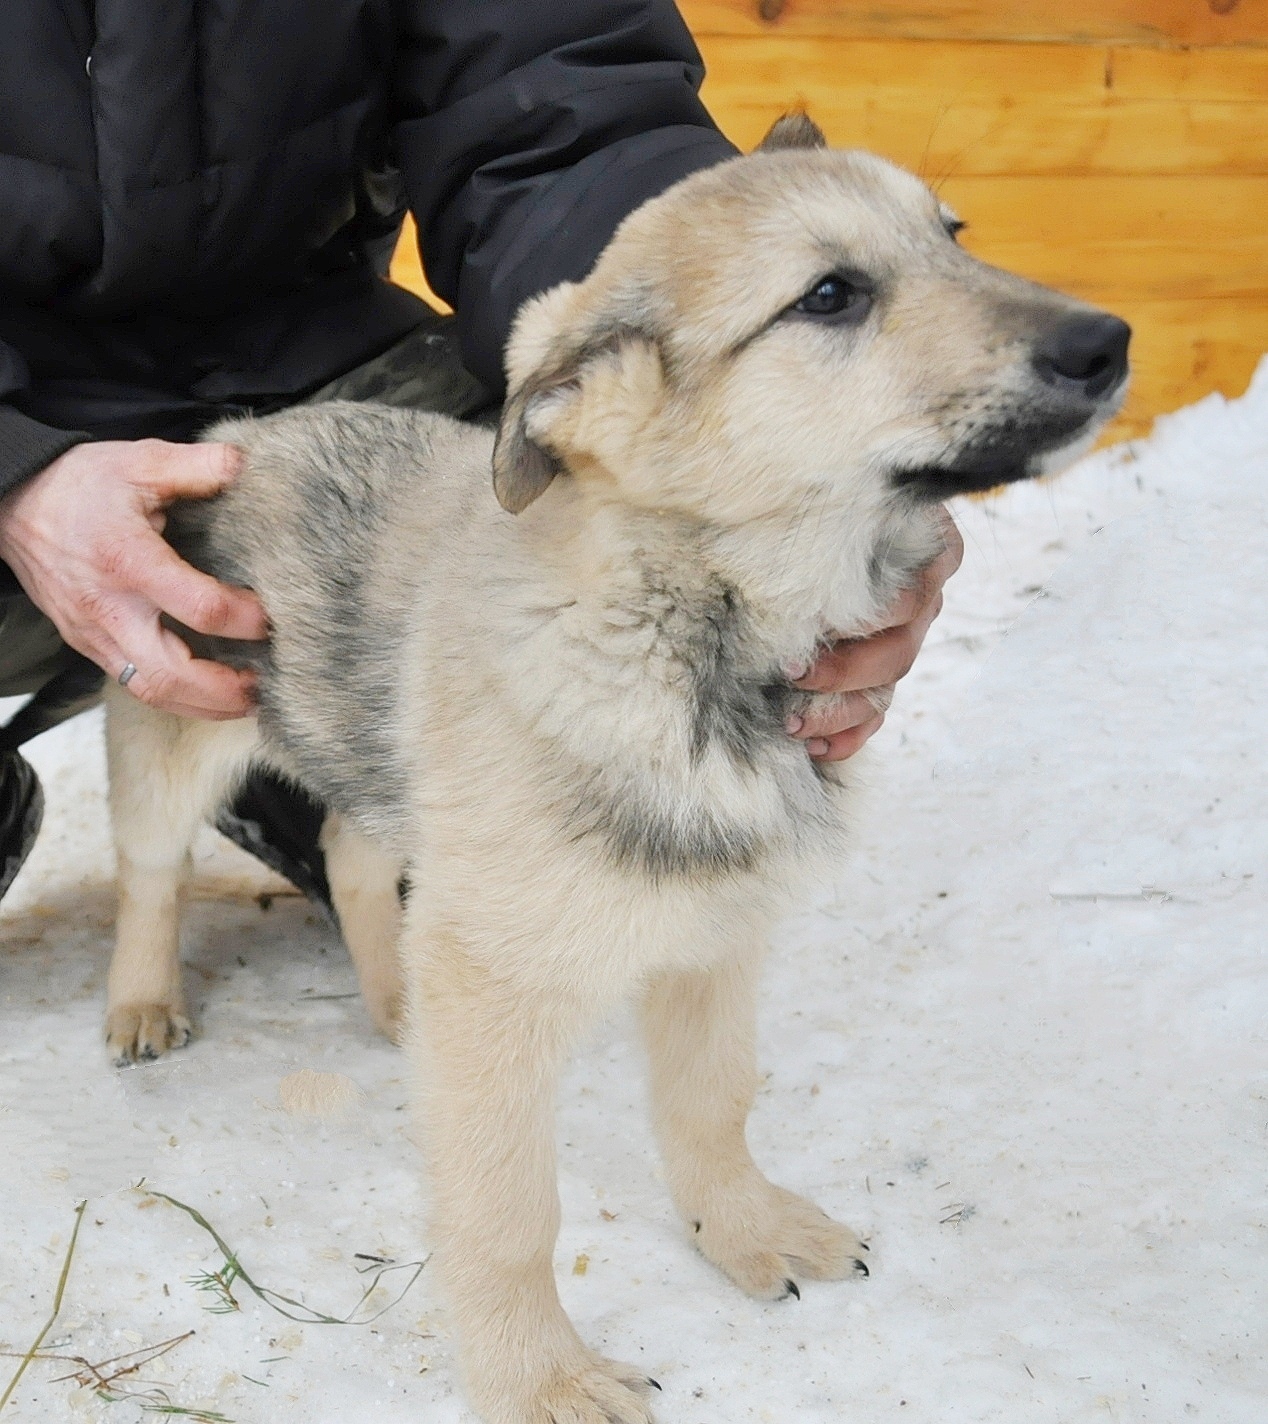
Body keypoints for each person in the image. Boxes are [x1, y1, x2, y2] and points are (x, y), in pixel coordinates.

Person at [0, 1, 961, 903]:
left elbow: (561, 115)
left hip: (288, 359)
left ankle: (303, 734)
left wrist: (769, 421)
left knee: (564, 544)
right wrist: (21, 472)